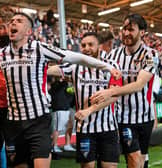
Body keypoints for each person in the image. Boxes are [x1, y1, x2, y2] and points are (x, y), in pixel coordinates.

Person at [0, 12, 121, 168]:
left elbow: (75, 57)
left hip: (38, 121)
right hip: (14, 123)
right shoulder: (2, 55)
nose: (13, 23)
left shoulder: (39, 48)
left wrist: (108, 67)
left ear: (29, 31)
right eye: (11, 21)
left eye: (19, 21)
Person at [90, 14, 158, 168]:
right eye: (124, 29)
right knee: (133, 156)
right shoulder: (113, 55)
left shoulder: (150, 55)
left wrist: (110, 93)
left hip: (144, 116)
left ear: (142, 32)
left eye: (131, 30)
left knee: (140, 158)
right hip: (122, 117)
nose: (126, 33)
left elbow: (139, 85)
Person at [48, 32, 121, 168]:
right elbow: (53, 70)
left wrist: (89, 110)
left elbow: (114, 95)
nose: (86, 48)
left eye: (90, 45)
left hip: (108, 128)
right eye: (83, 45)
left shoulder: (111, 66)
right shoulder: (75, 66)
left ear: (99, 45)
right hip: (85, 129)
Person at [0, 6, 14, 168]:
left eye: (6, 26)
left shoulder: (23, 46)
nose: (3, 31)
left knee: (15, 147)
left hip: (15, 105)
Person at [48, 77, 76, 152]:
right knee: (57, 128)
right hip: (59, 108)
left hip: (67, 107)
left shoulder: (67, 84)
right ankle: (54, 145)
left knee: (70, 126)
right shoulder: (56, 84)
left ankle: (67, 144)